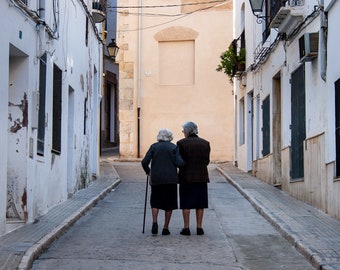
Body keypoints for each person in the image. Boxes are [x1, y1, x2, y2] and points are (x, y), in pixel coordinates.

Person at [141, 128, 185, 235]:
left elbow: (144, 162)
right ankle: (165, 228)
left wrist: (149, 172)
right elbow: (180, 163)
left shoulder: (154, 147)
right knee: (169, 203)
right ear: (170, 137)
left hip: (156, 178)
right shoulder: (174, 147)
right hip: (171, 179)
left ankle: (155, 222)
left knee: (155, 200)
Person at [177, 121, 210, 236]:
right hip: (201, 177)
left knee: (186, 203)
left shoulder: (181, 143)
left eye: (183, 131)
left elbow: (179, 161)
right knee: (200, 203)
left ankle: (186, 228)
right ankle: (199, 227)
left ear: (187, 131)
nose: (183, 133)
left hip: (186, 177)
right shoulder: (205, 143)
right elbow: (207, 161)